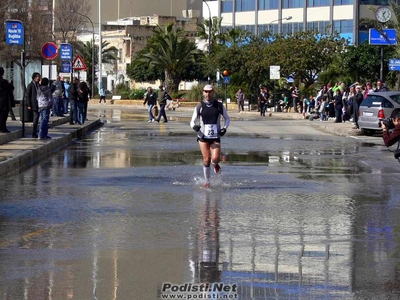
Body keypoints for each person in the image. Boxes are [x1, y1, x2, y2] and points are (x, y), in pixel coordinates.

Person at [190, 84, 230, 188]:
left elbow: (227, 118)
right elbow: (192, 121)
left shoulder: (219, 105)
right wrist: (195, 127)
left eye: (210, 92)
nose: (208, 94)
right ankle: (207, 182)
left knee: (215, 158)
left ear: (213, 92)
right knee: (206, 158)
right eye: (206, 92)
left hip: (215, 136)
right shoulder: (199, 106)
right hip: (203, 136)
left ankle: (215, 165)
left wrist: (224, 128)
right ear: (203, 92)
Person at [26, 72, 41, 138]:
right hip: (34, 104)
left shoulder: (38, 85)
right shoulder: (30, 85)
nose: (39, 78)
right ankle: (34, 133)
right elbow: (28, 95)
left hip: (39, 104)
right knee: (35, 118)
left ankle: (36, 132)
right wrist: (29, 104)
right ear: (35, 77)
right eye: (38, 77)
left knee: (37, 119)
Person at [0, 67, 10, 133]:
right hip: (3, 102)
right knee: (3, 116)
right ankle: (3, 128)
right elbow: (9, 89)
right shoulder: (4, 81)